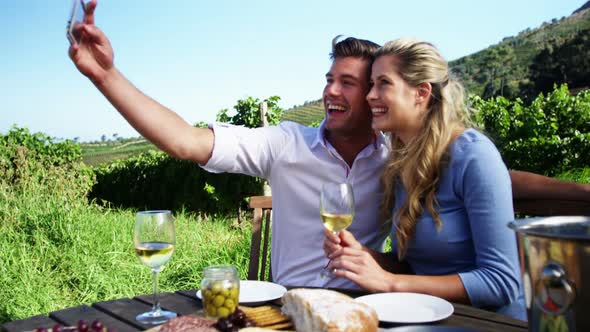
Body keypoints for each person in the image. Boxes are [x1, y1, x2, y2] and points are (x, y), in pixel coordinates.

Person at [71, 1, 589, 291]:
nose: (330, 92)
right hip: (288, 308)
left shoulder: (400, 156)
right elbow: (185, 141)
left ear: (374, 95)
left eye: (351, 83)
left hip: (374, 311)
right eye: (329, 78)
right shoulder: (285, 145)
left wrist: (578, 192)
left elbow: (486, 174)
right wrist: (106, 76)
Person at [323, 38, 526, 320]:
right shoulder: (402, 164)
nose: (370, 95)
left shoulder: (473, 155)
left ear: (421, 93)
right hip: (426, 316)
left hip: (487, 322)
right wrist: (369, 258)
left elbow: (501, 282)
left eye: (383, 83)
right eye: (371, 84)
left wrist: (390, 283)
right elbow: (418, 269)